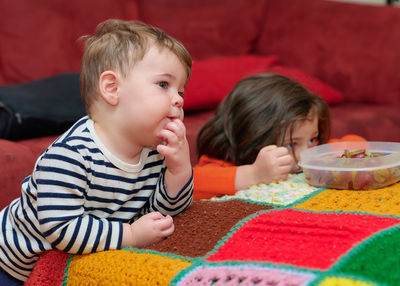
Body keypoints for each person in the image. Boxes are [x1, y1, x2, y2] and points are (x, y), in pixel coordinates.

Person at [0, 19, 193, 283]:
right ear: (112, 88)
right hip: (10, 262)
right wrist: (131, 235)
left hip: (67, 266)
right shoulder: (70, 156)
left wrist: (178, 170)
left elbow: (160, 214)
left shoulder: (153, 152)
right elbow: (62, 229)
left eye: (180, 90)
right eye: (163, 85)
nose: (179, 99)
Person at [193, 73, 331, 200]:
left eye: (312, 140)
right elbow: (184, 185)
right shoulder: (221, 164)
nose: (304, 155)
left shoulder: (309, 150)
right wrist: (253, 175)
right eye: (291, 144)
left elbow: (346, 144)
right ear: (253, 139)